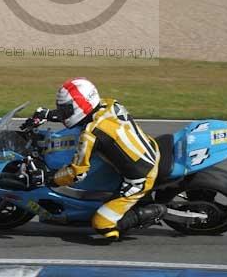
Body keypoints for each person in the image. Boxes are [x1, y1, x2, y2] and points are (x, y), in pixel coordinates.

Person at [24, 78, 166, 241]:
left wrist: (48, 178)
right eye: (61, 109)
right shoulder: (108, 104)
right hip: (148, 146)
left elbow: (76, 173)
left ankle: (156, 211)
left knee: (102, 224)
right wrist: (47, 115)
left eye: (65, 109)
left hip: (141, 176)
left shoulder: (91, 134)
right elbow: (80, 115)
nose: (63, 114)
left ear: (82, 104)